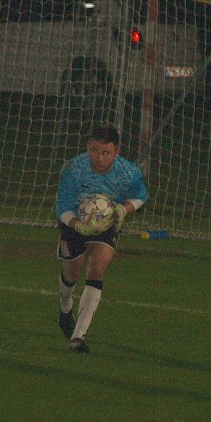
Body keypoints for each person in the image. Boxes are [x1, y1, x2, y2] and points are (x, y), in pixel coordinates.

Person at [55, 125, 147, 354]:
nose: (100, 158)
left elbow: (140, 196)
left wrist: (123, 209)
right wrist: (78, 225)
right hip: (74, 219)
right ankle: (65, 307)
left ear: (117, 151)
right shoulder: (75, 168)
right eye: (94, 151)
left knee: (97, 269)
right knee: (72, 274)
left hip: (108, 222)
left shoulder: (128, 172)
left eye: (106, 152)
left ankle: (78, 337)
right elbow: (63, 206)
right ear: (88, 147)